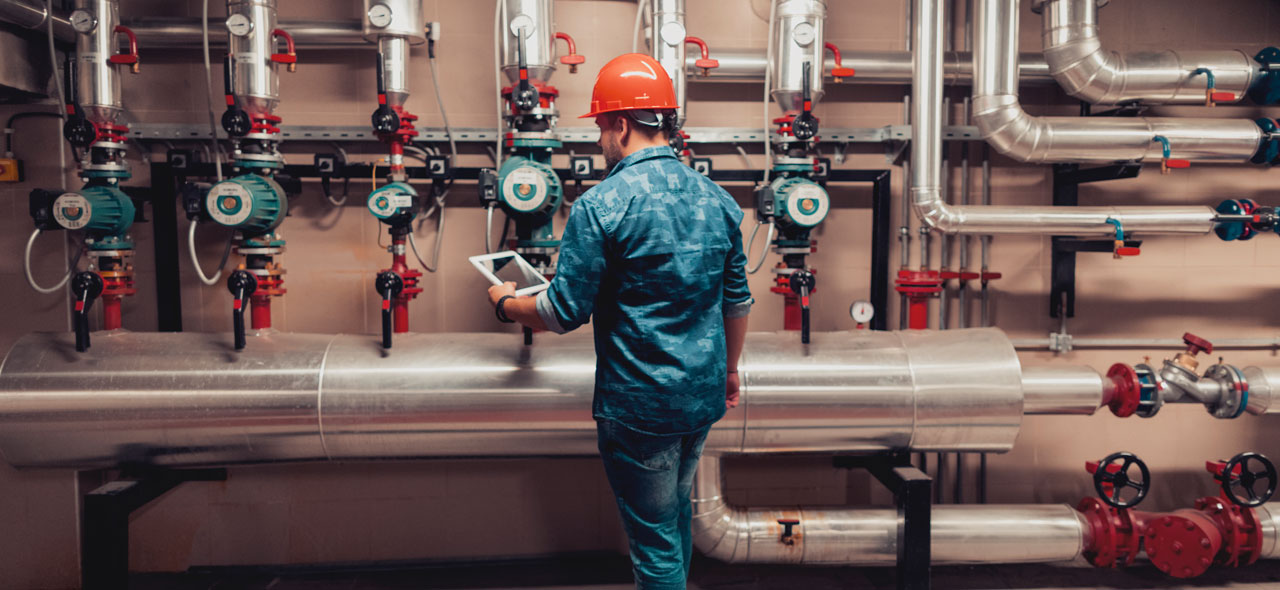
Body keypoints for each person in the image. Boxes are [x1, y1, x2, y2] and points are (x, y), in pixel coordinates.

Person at [486, 53, 752, 589]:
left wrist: (505, 301)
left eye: (603, 127)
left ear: (623, 124)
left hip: (639, 407)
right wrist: (729, 372)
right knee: (675, 518)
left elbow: (562, 312)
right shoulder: (720, 201)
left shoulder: (601, 206)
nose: (600, 141)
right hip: (700, 397)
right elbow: (737, 301)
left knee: (654, 545)